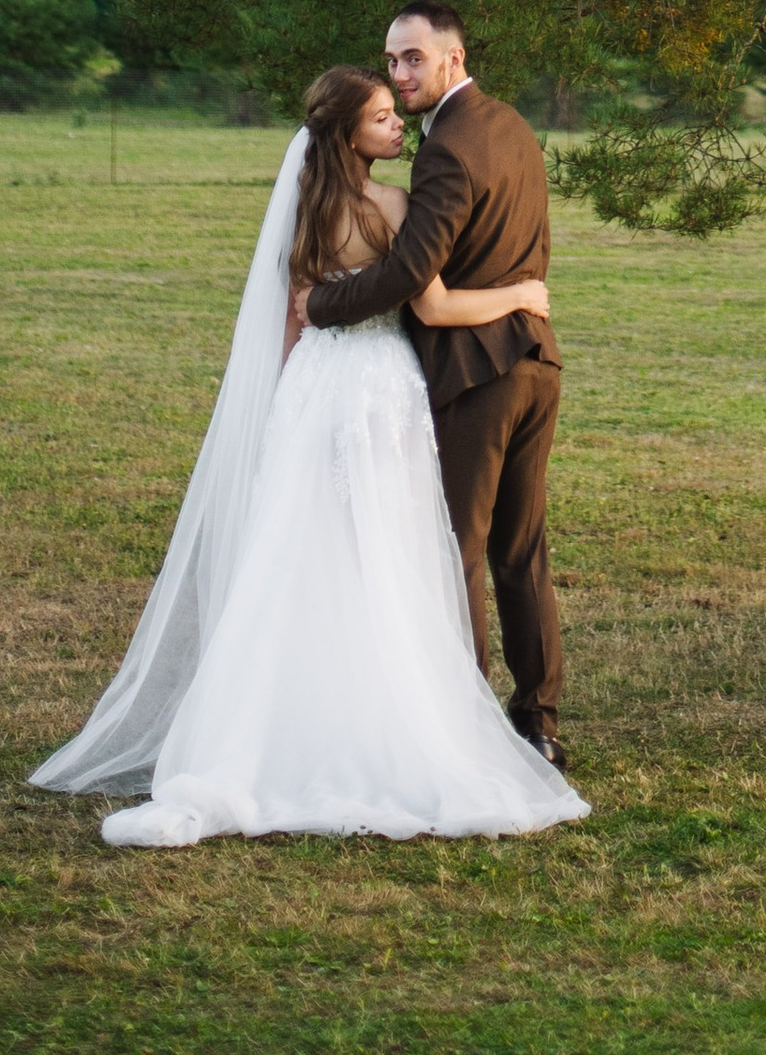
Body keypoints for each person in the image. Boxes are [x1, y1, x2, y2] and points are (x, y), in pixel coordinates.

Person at [29, 61, 587, 849]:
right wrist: (521, 296)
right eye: (382, 117)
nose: (397, 125)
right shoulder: (393, 206)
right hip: (381, 392)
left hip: (316, 390)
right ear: (348, 133)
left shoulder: (300, 212)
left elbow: (289, 322)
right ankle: (401, 717)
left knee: (300, 556)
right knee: (388, 556)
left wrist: (283, 406)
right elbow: (432, 302)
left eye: (398, 110)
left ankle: (276, 724)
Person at [305, 2, 567, 767]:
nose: (401, 73)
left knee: (456, 550)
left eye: (414, 58)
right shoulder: (513, 124)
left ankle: (464, 730)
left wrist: (323, 302)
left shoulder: (448, 146)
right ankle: (539, 723)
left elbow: (412, 272)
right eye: (391, 61)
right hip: (535, 362)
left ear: (453, 57)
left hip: (476, 374)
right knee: (522, 549)